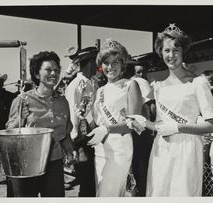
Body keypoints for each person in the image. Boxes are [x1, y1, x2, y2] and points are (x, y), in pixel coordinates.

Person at [126, 23, 213, 196]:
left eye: (176, 50)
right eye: (166, 50)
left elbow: (211, 125)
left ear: (183, 52)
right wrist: (142, 122)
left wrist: (177, 127)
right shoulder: (158, 87)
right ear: (161, 53)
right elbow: (159, 126)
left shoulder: (198, 83)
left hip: (187, 149)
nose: (171, 55)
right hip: (161, 149)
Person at [76, 39, 142, 196]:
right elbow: (96, 127)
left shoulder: (131, 85)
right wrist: (86, 117)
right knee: (102, 191)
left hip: (120, 148)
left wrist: (106, 129)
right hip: (101, 150)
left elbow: (136, 123)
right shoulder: (100, 91)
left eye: (115, 62)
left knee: (111, 192)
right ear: (101, 65)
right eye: (106, 62)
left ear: (123, 64)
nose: (110, 67)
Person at [6, 51, 75, 197]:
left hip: (54, 163)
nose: (53, 74)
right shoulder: (22, 100)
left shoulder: (63, 102)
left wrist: (70, 151)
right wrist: (20, 119)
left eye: (56, 70)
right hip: (27, 164)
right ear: (37, 74)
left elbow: (65, 134)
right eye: (48, 70)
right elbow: (9, 135)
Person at [64, 46, 99, 197]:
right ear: (89, 63)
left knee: (89, 182)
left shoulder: (85, 83)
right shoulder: (80, 85)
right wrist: (76, 139)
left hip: (85, 137)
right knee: (87, 182)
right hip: (82, 138)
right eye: (94, 62)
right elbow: (76, 113)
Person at [130, 63, 154, 196]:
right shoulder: (141, 82)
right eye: (138, 72)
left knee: (137, 168)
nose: (141, 74)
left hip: (133, 131)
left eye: (143, 71)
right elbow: (151, 107)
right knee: (143, 168)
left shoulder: (128, 83)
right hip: (143, 131)